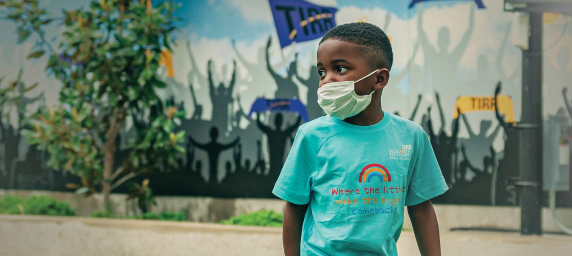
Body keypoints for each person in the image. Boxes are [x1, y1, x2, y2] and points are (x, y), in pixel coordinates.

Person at [273, 23, 448, 256]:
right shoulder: (311, 136)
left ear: (379, 79)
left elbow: (421, 208)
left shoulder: (411, 137)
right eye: (322, 72)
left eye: (341, 69)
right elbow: (294, 208)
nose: (326, 81)